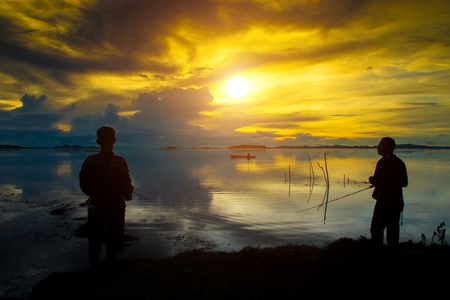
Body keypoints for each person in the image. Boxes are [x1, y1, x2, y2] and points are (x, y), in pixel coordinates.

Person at [79, 126, 133, 266]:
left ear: (98, 141)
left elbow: (84, 186)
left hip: (94, 205)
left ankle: (94, 272)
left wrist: (95, 193)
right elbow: (126, 187)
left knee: (94, 241)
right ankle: (111, 271)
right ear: (114, 140)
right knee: (113, 243)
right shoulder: (119, 162)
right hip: (115, 207)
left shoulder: (89, 161)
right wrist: (128, 195)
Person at [369, 137, 408, 246]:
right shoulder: (400, 162)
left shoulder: (383, 162)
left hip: (384, 202)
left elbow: (376, 181)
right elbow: (404, 183)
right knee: (393, 230)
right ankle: (392, 252)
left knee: (376, 229)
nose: (378, 148)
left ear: (389, 148)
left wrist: (371, 180)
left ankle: (378, 253)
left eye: (381, 145)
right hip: (397, 202)